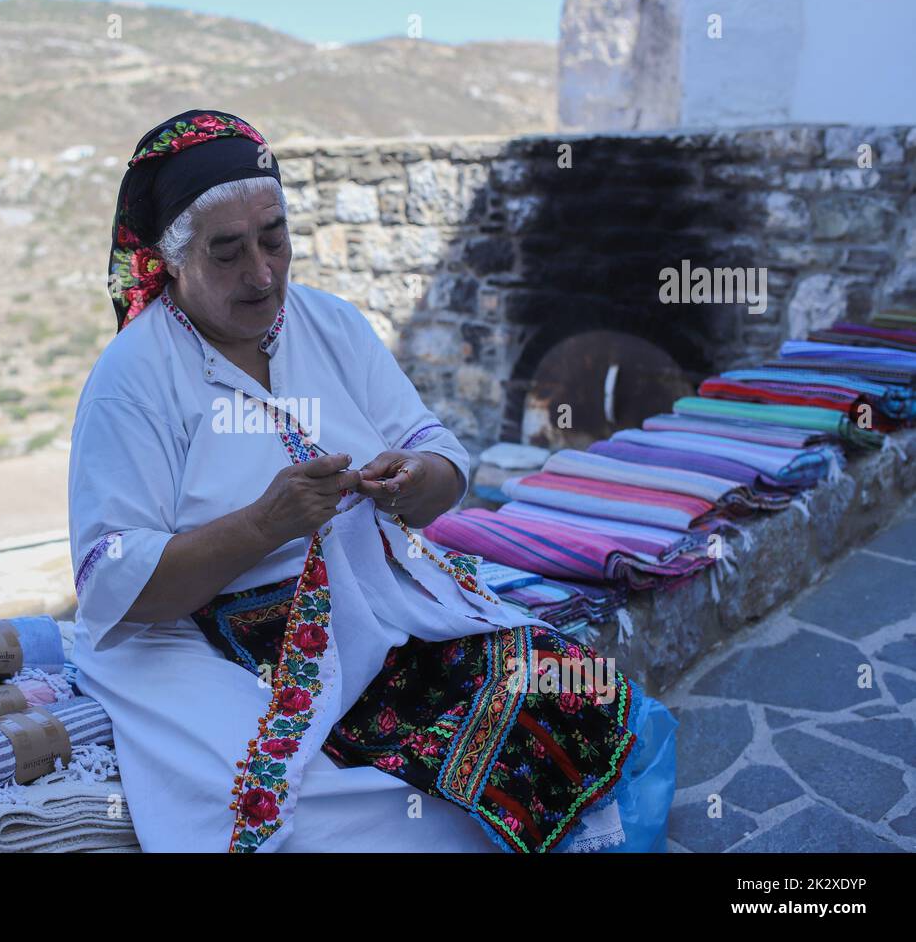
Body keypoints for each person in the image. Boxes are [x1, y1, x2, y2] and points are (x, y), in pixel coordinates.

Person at [67, 110, 678, 853]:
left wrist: (418, 480)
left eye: (275, 237)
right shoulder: (132, 379)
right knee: (347, 804)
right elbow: (109, 581)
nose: (262, 273)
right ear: (170, 257)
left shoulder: (331, 325)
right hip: (232, 640)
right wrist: (263, 526)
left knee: (568, 696)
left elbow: (438, 454)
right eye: (227, 252)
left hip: (382, 606)